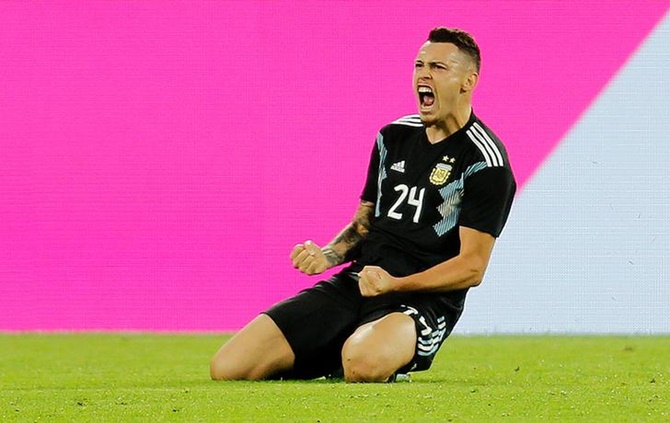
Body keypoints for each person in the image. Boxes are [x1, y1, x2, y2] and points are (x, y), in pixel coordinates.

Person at [210, 27, 516, 383]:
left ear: (468, 81)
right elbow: (364, 225)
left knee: (364, 365)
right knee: (230, 367)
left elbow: (471, 268)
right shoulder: (393, 137)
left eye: (437, 67)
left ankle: (363, 354)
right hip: (358, 283)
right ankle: (343, 347)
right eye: (419, 65)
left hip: (419, 302)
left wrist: (393, 285)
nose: (423, 75)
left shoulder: (485, 162)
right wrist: (328, 255)